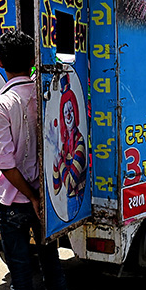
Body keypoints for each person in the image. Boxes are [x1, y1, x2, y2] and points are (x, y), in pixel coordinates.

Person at [0, 30, 76, 290]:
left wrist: (31, 196)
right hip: (47, 199)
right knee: (53, 269)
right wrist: (42, 196)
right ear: (31, 61)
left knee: (21, 281)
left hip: (15, 204)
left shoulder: (0, 105)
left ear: (0, 64)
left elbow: (7, 165)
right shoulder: (45, 95)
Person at [50, 74, 87, 219]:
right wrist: (54, 158)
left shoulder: (80, 142)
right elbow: (57, 186)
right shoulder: (65, 145)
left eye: (71, 110)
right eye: (65, 113)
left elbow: (71, 184)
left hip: (77, 200)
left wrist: (58, 160)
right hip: (70, 201)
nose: (69, 116)